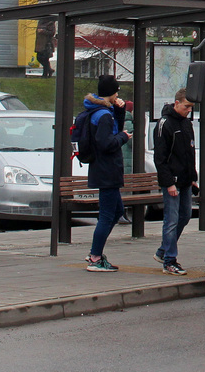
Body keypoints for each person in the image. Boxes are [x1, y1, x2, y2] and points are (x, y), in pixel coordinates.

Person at [85, 74, 132, 272]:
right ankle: (95, 257)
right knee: (107, 215)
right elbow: (105, 142)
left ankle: (95, 253)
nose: (118, 94)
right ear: (112, 92)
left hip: (106, 169)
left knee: (117, 211)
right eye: (117, 91)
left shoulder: (103, 111)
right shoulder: (103, 115)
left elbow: (113, 129)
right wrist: (123, 137)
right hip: (107, 170)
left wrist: (120, 110)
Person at [153, 88, 198, 276]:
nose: (189, 110)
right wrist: (169, 182)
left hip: (186, 180)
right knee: (171, 220)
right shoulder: (165, 124)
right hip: (173, 180)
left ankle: (164, 250)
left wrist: (193, 178)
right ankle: (170, 260)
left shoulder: (187, 124)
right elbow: (160, 158)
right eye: (186, 106)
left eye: (191, 107)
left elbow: (190, 152)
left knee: (185, 216)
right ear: (176, 103)